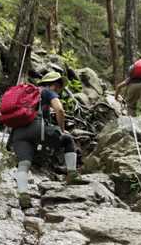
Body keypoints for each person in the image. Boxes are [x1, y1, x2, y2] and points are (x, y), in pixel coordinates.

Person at [10, 71, 90, 209]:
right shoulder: (47, 92)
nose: (57, 89)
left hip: (18, 132)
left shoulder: (27, 94)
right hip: (36, 128)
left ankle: (24, 197)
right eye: (56, 85)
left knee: (23, 164)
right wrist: (62, 129)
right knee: (68, 140)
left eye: (59, 87)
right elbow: (59, 110)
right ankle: (72, 175)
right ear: (46, 84)